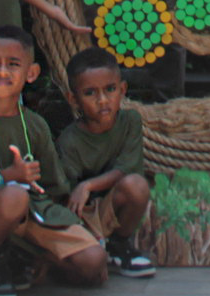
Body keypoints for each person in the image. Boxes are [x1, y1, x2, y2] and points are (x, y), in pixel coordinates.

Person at [0, 25, 109, 296]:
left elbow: (54, 186)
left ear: (31, 73)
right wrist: (7, 176)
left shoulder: (35, 125)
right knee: (14, 197)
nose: (2, 72)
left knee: (93, 262)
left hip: (34, 213)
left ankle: (27, 259)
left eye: (13, 64)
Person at [57, 47, 158, 277]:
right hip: (82, 215)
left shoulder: (130, 121)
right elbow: (67, 196)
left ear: (122, 90)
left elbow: (126, 169)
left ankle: (119, 246)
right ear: (73, 99)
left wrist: (88, 185)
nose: (102, 100)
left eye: (110, 89)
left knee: (136, 185)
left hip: (111, 205)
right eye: (90, 93)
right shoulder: (70, 140)